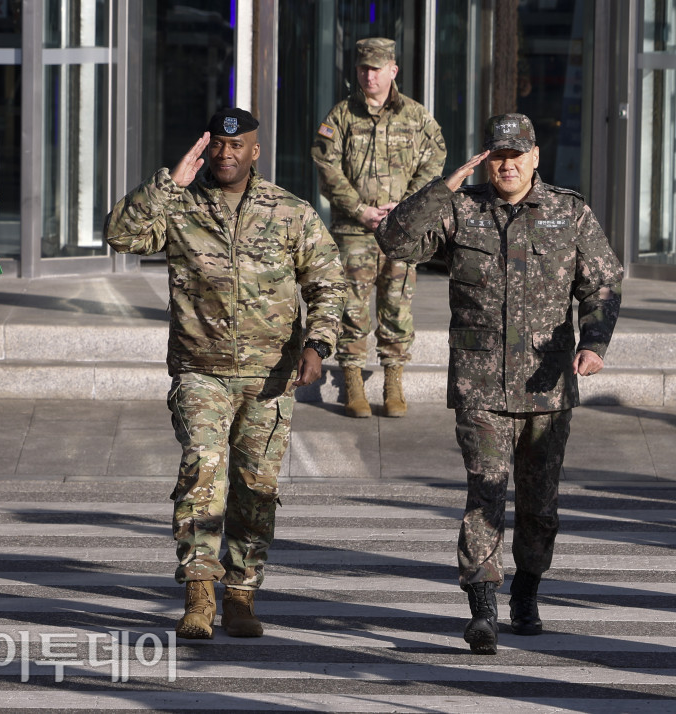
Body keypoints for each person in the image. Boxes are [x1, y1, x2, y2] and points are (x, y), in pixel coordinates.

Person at [374, 113, 623, 655]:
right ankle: (482, 606)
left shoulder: (569, 211)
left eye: (517, 155)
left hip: (547, 385)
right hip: (480, 385)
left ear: (535, 156)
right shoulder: (462, 209)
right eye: (498, 156)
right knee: (486, 491)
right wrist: (443, 188)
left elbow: (602, 282)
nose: (507, 165)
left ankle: (527, 592)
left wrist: (593, 342)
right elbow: (395, 242)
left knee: (539, 504)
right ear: (487, 159)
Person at [106, 108, 345, 640]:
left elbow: (328, 281)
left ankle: (242, 591)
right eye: (217, 145)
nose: (225, 154)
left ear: (254, 152)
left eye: (236, 147)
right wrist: (169, 182)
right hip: (201, 371)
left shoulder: (290, 212)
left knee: (255, 488)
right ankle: (199, 592)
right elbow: (121, 235)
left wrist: (318, 344)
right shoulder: (180, 206)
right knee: (201, 474)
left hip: (271, 375)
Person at [311, 37, 446, 418]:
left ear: (393, 70)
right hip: (355, 230)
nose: (368, 76)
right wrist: (360, 209)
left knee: (398, 302)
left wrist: (406, 206)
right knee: (352, 305)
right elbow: (326, 166)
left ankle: (393, 380)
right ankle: (352, 380)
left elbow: (436, 159)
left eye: (376, 69)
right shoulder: (341, 116)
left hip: (401, 230)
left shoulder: (416, 117)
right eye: (362, 69)